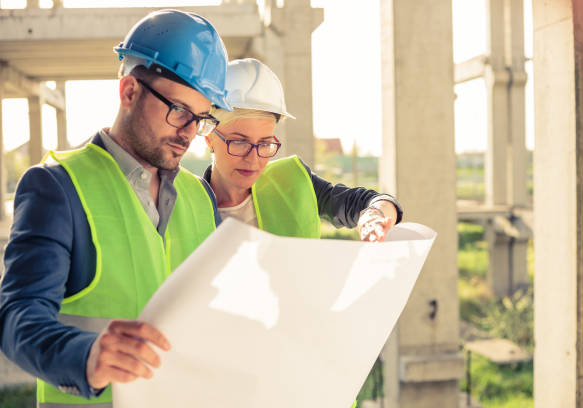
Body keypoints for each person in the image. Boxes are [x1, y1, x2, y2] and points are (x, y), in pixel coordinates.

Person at [0, 9, 231, 407]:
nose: (189, 133)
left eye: (201, 118)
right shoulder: (57, 187)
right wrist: (88, 356)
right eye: (179, 111)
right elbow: (17, 318)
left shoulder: (200, 196)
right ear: (129, 91)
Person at [203, 58, 403, 241]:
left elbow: (371, 201)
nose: (253, 159)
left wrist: (374, 215)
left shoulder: (293, 184)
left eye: (264, 144)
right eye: (240, 143)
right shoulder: (183, 201)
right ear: (209, 138)